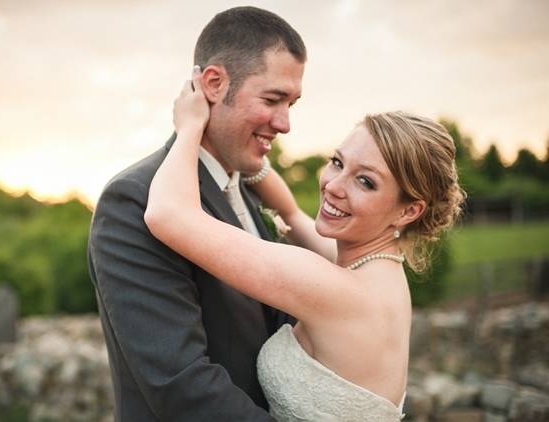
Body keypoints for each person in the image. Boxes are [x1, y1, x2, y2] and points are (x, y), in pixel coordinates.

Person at [144, 67, 466, 421]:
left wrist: (189, 127)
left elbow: (167, 215)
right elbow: (293, 215)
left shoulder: (336, 289)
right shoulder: (376, 274)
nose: (333, 186)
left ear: (409, 211)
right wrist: (247, 153)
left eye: (365, 181)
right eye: (337, 162)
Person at [87, 6, 306, 421]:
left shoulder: (248, 191)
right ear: (213, 84)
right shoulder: (133, 200)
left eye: (292, 103)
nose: (285, 123)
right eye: (273, 99)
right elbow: (183, 387)